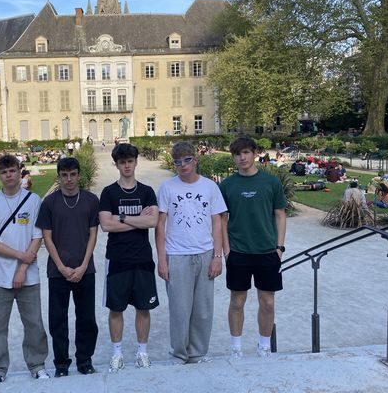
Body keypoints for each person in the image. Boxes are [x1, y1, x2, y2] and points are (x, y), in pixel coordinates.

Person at [0, 154, 50, 383]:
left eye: (12, 170)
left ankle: (37, 364)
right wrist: (21, 257)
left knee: (34, 324)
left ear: (20, 172)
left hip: (28, 274)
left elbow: (37, 236)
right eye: (4, 172)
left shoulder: (33, 200)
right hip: (0, 275)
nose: (9, 175)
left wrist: (22, 268)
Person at [155, 142, 227, 364]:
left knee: (203, 310)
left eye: (187, 160)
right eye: (177, 162)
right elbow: (160, 225)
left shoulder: (210, 187)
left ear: (196, 160)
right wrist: (161, 260)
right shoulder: (167, 188)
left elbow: (217, 222)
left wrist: (217, 256)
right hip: (176, 255)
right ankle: (179, 353)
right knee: (179, 309)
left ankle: (197, 353)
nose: (183, 165)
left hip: (205, 253)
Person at [219, 136, 287, 359]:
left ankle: (264, 346)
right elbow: (222, 219)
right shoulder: (227, 185)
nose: (242, 157)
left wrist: (280, 247)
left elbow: (280, 214)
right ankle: (236, 347)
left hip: (267, 251)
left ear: (255, 153)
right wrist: (227, 250)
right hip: (238, 252)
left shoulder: (271, 183)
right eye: (237, 154)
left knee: (267, 302)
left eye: (246, 152)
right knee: (237, 301)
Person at [36, 157, 100, 377]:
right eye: (64, 175)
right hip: (58, 271)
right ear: (59, 177)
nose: (69, 179)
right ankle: (61, 364)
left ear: (79, 175)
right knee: (58, 320)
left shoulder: (90, 200)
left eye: (73, 174)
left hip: (85, 270)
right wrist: (62, 267)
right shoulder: (50, 202)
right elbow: (47, 237)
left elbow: (93, 234)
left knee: (87, 319)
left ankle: (85, 361)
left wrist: (83, 265)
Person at [98, 143, 159, 372]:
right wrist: (137, 220)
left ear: (136, 162)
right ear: (116, 165)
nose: (126, 166)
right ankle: (117, 353)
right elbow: (106, 225)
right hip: (117, 258)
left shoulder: (147, 191)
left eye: (130, 161)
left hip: (142, 257)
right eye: (122, 162)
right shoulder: (108, 192)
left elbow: (152, 221)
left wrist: (121, 217)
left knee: (144, 308)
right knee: (116, 309)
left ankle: (142, 352)